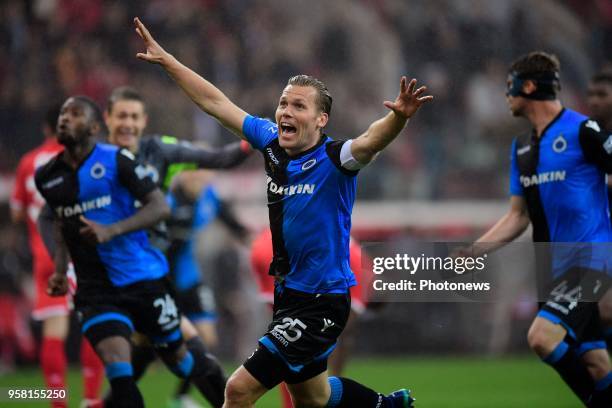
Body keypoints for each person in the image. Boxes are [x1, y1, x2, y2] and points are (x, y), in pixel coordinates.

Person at [134, 16, 432, 408]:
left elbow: (370, 142)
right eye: (283, 103)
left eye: (298, 106)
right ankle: (386, 406)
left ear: (320, 120)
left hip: (323, 299)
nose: (285, 112)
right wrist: (169, 61)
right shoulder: (271, 143)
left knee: (238, 390)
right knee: (315, 397)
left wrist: (397, 117)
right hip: (289, 295)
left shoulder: (335, 158)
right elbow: (215, 102)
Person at [35, 96, 224, 408]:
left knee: (184, 361)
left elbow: (159, 206)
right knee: (120, 372)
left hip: (144, 281)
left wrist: (111, 230)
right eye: (62, 114)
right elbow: (52, 218)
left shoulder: (118, 160)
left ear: (95, 127)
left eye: (75, 114)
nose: (64, 119)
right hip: (97, 291)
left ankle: (228, 399)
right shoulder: (47, 176)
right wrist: (59, 267)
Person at [459, 52, 612, 407]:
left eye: (510, 86)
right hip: (552, 267)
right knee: (595, 361)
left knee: (542, 338)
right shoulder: (522, 148)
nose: (507, 95)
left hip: (590, 259)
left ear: (529, 86)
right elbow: (518, 216)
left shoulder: (582, 130)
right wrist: (473, 251)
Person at [102, 85, 251, 408]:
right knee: (167, 353)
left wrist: (255, 137)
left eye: (134, 117)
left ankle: (179, 399)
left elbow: (221, 160)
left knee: (188, 348)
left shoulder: (162, 152)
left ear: (144, 121)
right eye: (121, 116)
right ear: (107, 119)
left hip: (161, 278)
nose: (127, 123)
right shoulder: (96, 164)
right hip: (116, 280)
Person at [10, 104, 104, 408]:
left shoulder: (28, 162)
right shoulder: (80, 157)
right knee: (95, 321)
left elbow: (16, 212)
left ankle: (58, 403)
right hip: (79, 253)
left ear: (44, 128)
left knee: (54, 330)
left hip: (44, 256)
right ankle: (90, 398)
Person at [250, 230, 372, 408]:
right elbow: (338, 336)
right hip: (290, 252)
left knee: (288, 340)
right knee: (324, 341)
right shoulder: (360, 274)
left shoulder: (354, 255)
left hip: (268, 243)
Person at [586, 70, 612, 352]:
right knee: (599, 312)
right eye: (591, 95)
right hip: (596, 238)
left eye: (602, 95)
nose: (594, 101)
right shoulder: (586, 135)